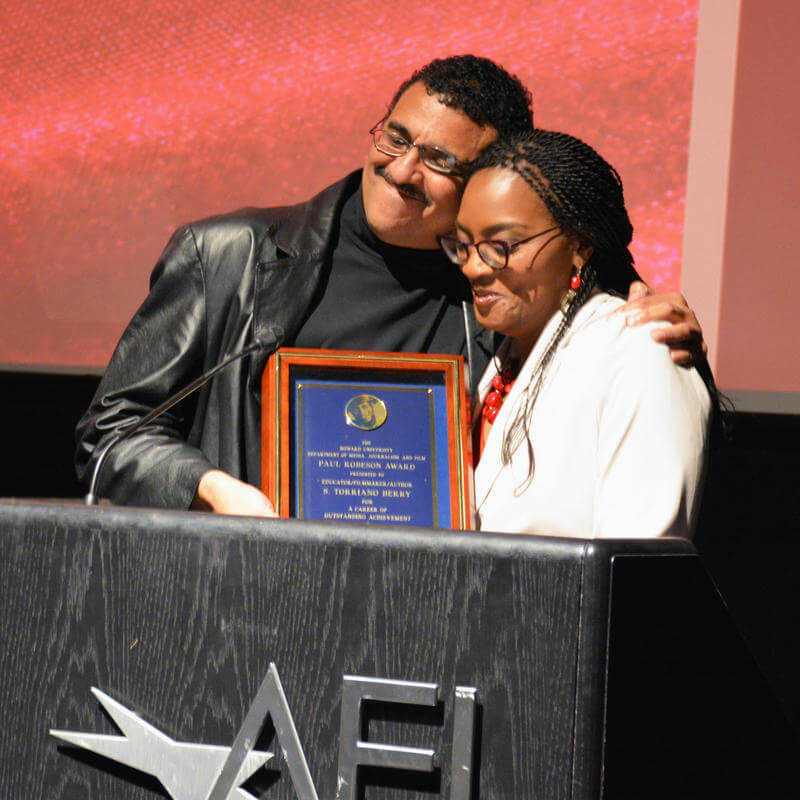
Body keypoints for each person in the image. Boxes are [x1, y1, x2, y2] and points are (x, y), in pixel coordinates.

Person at [75, 56, 707, 517]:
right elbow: (109, 436)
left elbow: (593, 283)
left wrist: (663, 317)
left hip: (410, 617)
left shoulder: (496, 293)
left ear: (481, 181)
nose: (402, 171)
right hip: (235, 600)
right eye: (396, 137)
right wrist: (212, 488)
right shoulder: (228, 257)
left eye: (439, 162)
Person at [440, 130, 712, 538]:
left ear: (580, 247)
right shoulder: (501, 358)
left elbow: (639, 566)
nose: (474, 267)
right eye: (464, 244)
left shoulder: (641, 346)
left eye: (501, 244)